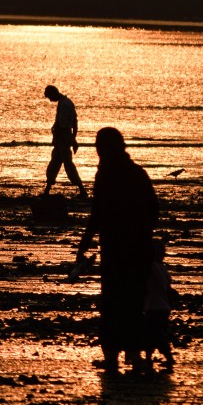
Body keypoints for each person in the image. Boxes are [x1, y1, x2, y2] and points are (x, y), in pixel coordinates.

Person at [75, 126, 158, 376]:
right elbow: (153, 211)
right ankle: (133, 352)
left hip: (114, 248)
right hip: (137, 247)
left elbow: (97, 214)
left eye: (98, 147)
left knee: (112, 301)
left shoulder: (106, 175)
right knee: (133, 299)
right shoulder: (137, 173)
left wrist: (83, 244)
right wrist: (143, 235)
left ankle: (111, 354)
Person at [42, 84, 87, 198]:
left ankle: (82, 190)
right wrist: (73, 138)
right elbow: (74, 122)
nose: (50, 100)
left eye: (50, 97)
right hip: (63, 138)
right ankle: (47, 190)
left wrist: (67, 139)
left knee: (66, 165)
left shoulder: (64, 105)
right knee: (55, 164)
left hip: (63, 138)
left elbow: (64, 126)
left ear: (54, 93)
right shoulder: (66, 103)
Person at [144, 236, 177, 373]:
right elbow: (168, 288)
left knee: (155, 334)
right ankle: (149, 358)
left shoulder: (149, 268)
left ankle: (167, 356)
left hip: (153, 307)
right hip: (164, 307)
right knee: (155, 333)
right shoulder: (163, 269)